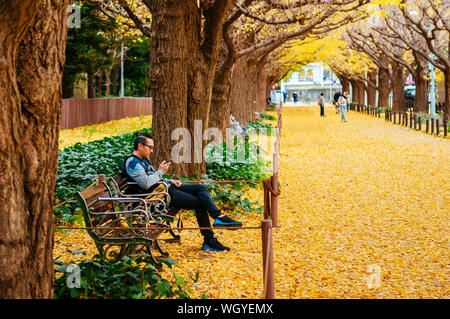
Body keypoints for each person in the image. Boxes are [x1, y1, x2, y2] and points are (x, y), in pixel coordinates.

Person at [123, 133, 242, 252]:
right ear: (140, 146)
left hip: (165, 190)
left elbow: (153, 179)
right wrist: (160, 171)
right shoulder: (133, 163)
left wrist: (170, 180)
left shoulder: (143, 161)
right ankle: (209, 239)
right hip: (158, 199)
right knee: (200, 203)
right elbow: (145, 183)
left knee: (200, 188)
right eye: (150, 147)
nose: (152, 151)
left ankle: (219, 217)